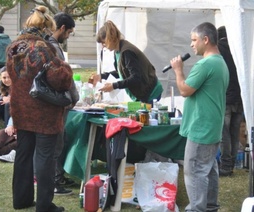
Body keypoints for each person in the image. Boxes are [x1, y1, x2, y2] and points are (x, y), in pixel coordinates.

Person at [6, 6, 72, 211]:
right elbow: (59, 79)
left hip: (20, 108)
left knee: (24, 154)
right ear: (46, 27)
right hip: (43, 112)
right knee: (45, 157)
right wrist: (65, 66)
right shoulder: (43, 48)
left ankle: (21, 199)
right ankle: (44, 205)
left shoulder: (13, 46)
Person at [170, 22, 229, 212]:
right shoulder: (220, 62)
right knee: (209, 170)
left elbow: (185, 90)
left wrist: (178, 70)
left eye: (194, 40)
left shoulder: (205, 64)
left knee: (195, 172)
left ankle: (197, 209)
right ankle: (210, 207)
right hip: (212, 126)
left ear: (206, 39)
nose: (191, 45)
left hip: (201, 127)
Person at [91, 20, 163, 104]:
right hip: (143, 93)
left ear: (110, 38)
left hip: (150, 93)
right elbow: (121, 73)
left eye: (103, 43)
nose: (103, 46)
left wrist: (114, 86)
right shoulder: (118, 51)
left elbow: (136, 78)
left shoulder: (127, 52)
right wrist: (101, 76)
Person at [49, 12, 79, 195]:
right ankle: (54, 181)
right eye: (68, 32)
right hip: (58, 103)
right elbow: (62, 75)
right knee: (56, 143)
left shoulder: (50, 45)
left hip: (57, 101)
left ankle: (58, 177)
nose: (68, 36)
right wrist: (72, 96)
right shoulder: (53, 47)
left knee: (59, 141)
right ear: (62, 28)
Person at [217, 26, 244, 177]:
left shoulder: (218, 49)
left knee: (224, 134)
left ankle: (225, 166)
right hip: (239, 97)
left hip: (226, 97)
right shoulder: (238, 48)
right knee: (234, 133)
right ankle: (231, 165)